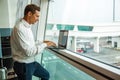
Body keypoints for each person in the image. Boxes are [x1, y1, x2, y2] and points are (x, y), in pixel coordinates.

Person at [10, 4, 56, 80]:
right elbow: (29, 52)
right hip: (23, 64)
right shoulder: (20, 28)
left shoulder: (27, 27)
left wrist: (42, 42)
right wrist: (45, 45)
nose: (38, 19)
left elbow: (31, 43)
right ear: (29, 14)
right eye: (37, 16)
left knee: (45, 75)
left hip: (31, 62)